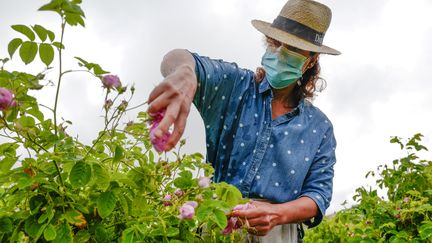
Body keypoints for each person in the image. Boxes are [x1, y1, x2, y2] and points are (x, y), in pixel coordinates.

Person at [147, 0, 340, 241]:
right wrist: (185, 72)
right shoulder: (235, 87)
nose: (279, 52)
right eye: (275, 42)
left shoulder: (319, 127)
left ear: (311, 60)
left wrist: (277, 213)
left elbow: (318, 195)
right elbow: (180, 58)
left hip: (277, 233)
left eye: (292, 48)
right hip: (218, 224)